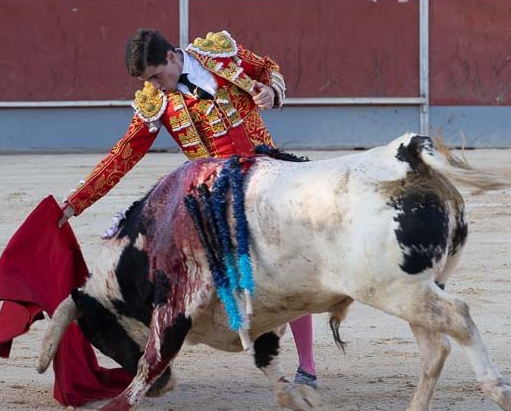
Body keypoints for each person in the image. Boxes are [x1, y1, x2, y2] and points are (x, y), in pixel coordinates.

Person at [58, 28, 320, 390]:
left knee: (296, 260)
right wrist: (75, 203)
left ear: (171, 57)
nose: (154, 86)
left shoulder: (221, 53)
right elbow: (123, 155)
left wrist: (272, 92)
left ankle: (307, 365)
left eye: (155, 76)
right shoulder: (157, 103)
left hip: (270, 171)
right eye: (147, 81)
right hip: (217, 191)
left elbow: (267, 70)